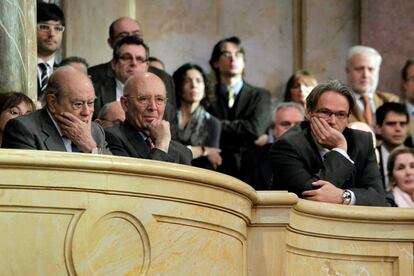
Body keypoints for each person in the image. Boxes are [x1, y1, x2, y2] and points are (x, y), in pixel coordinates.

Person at [270, 80, 386, 206]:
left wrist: (344, 196)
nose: (332, 121)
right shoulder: (287, 145)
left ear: (348, 117)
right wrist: (340, 149)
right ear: (309, 112)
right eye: (325, 112)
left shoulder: (363, 142)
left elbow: (378, 198)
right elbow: (314, 195)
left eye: (341, 114)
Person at [2, 66, 111, 155]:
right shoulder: (24, 129)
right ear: (53, 102)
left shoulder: (96, 132)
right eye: (78, 104)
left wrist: (91, 147)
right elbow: (33, 178)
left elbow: (113, 174)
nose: (86, 112)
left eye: (90, 103)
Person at [207, 36, 271, 178]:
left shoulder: (260, 95)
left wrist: (216, 125)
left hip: (252, 169)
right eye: (226, 54)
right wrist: (243, 131)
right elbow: (203, 128)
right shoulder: (206, 95)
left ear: (244, 62)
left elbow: (255, 129)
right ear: (216, 62)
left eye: (238, 54)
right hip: (216, 168)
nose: (233, 58)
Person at [88, 17, 176, 115]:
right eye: (123, 36)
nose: (134, 63)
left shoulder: (163, 78)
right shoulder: (92, 78)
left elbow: (170, 122)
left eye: (136, 35)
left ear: (147, 64)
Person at [105, 72, 192, 165]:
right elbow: (143, 179)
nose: (153, 107)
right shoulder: (110, 138)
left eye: (159, 99)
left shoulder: (183, 153)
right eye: (143, 99)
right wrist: (161, 146)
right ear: (125, 104)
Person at [241, 102, 305, 190]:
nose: (292, 129)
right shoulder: (252, 157)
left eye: (298, 124)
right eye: (285, 124)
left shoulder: (319, 158)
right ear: (273, 129)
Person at [173, 63, 221, 170]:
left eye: (198, 81)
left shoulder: (213, 123)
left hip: (198, 177)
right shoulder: (168, 116)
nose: (194, 85)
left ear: (205, 87)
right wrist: (203, 150)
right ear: (179, 86)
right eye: (187, 81)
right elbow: (168, 151)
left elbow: (212, 160)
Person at [346, 45, 399, 126]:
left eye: (371, 69)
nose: (365, 75)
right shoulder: (339, 103)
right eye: (359, 69)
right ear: (348, 71)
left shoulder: (390, 101)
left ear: (378, 71)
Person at [375, 103, 411, 189]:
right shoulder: (369, 156)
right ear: (379, 128)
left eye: (402, 124)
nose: (398, 129)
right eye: (391, 124)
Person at [37, 2, 65, 100]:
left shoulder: (64, 73)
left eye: (57, 28)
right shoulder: (19, 69)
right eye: (44, 27)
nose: (52, 34)